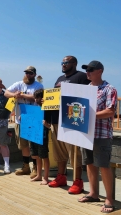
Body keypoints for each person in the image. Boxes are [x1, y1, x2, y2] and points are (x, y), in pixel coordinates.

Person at [77, 60, 117, 213]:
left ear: (100, 71)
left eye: (91, 70)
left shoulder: (109, 89)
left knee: (104, 166)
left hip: (102, 134)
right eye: (87, 70)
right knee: (89, 163)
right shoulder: (84, 89)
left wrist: (87, 115)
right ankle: (93, 193)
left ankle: (109, 199)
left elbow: (110, 111)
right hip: (85, 133)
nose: (87, 72)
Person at [47, 56, 90, 195]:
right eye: (62, 63)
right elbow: (54, 98)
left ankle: (78, 181)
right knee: (59, 152)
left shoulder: (82, 77)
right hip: (56, 119)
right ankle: (61, 177)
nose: (63, 65)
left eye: (66, 62)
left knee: (74, 152)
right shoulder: (59, 79)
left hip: (72, 119)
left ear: (74, 63)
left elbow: (87, 95)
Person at [4, 66, 44, 176]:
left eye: (30, 73)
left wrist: (21, 95)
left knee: (34, 145)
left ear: (34, 75)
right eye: (26, 73)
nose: (28, 75)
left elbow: (36, 98)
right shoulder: (18, 84)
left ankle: (35, 167)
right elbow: (6, 93)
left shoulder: (39, 86)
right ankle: (26, 167)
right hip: (20, 120)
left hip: (33, 119)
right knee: (23, 145)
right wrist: (14, 95)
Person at [30, 89, 51, 184]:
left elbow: (51, 125)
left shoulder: (48, 110)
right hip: (35, 135)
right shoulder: (36, 109)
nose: (36, 100)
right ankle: (39, 175)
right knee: (37, 156)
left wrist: (47, 125)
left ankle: (45, 177)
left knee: (44, 157)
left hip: (43, 136)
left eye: (38, 97)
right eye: (35, 98)